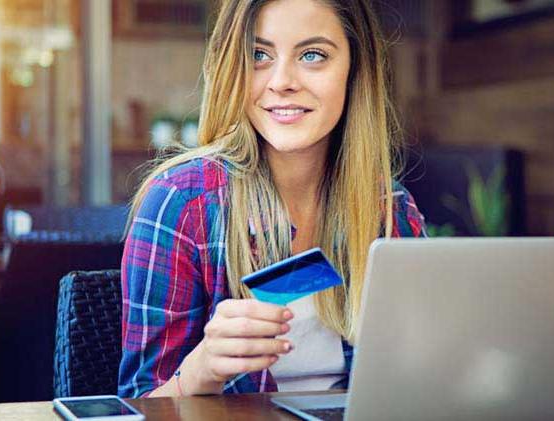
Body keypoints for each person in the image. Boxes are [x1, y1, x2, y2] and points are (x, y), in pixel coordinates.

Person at [118, 0, 427, 398]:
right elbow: (137, 408)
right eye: (259, 55)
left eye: (312, 55)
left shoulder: (390, 209)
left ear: (354, 71)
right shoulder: (182, 202)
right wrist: (202, 369)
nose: (281, 81)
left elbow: (420, 378)